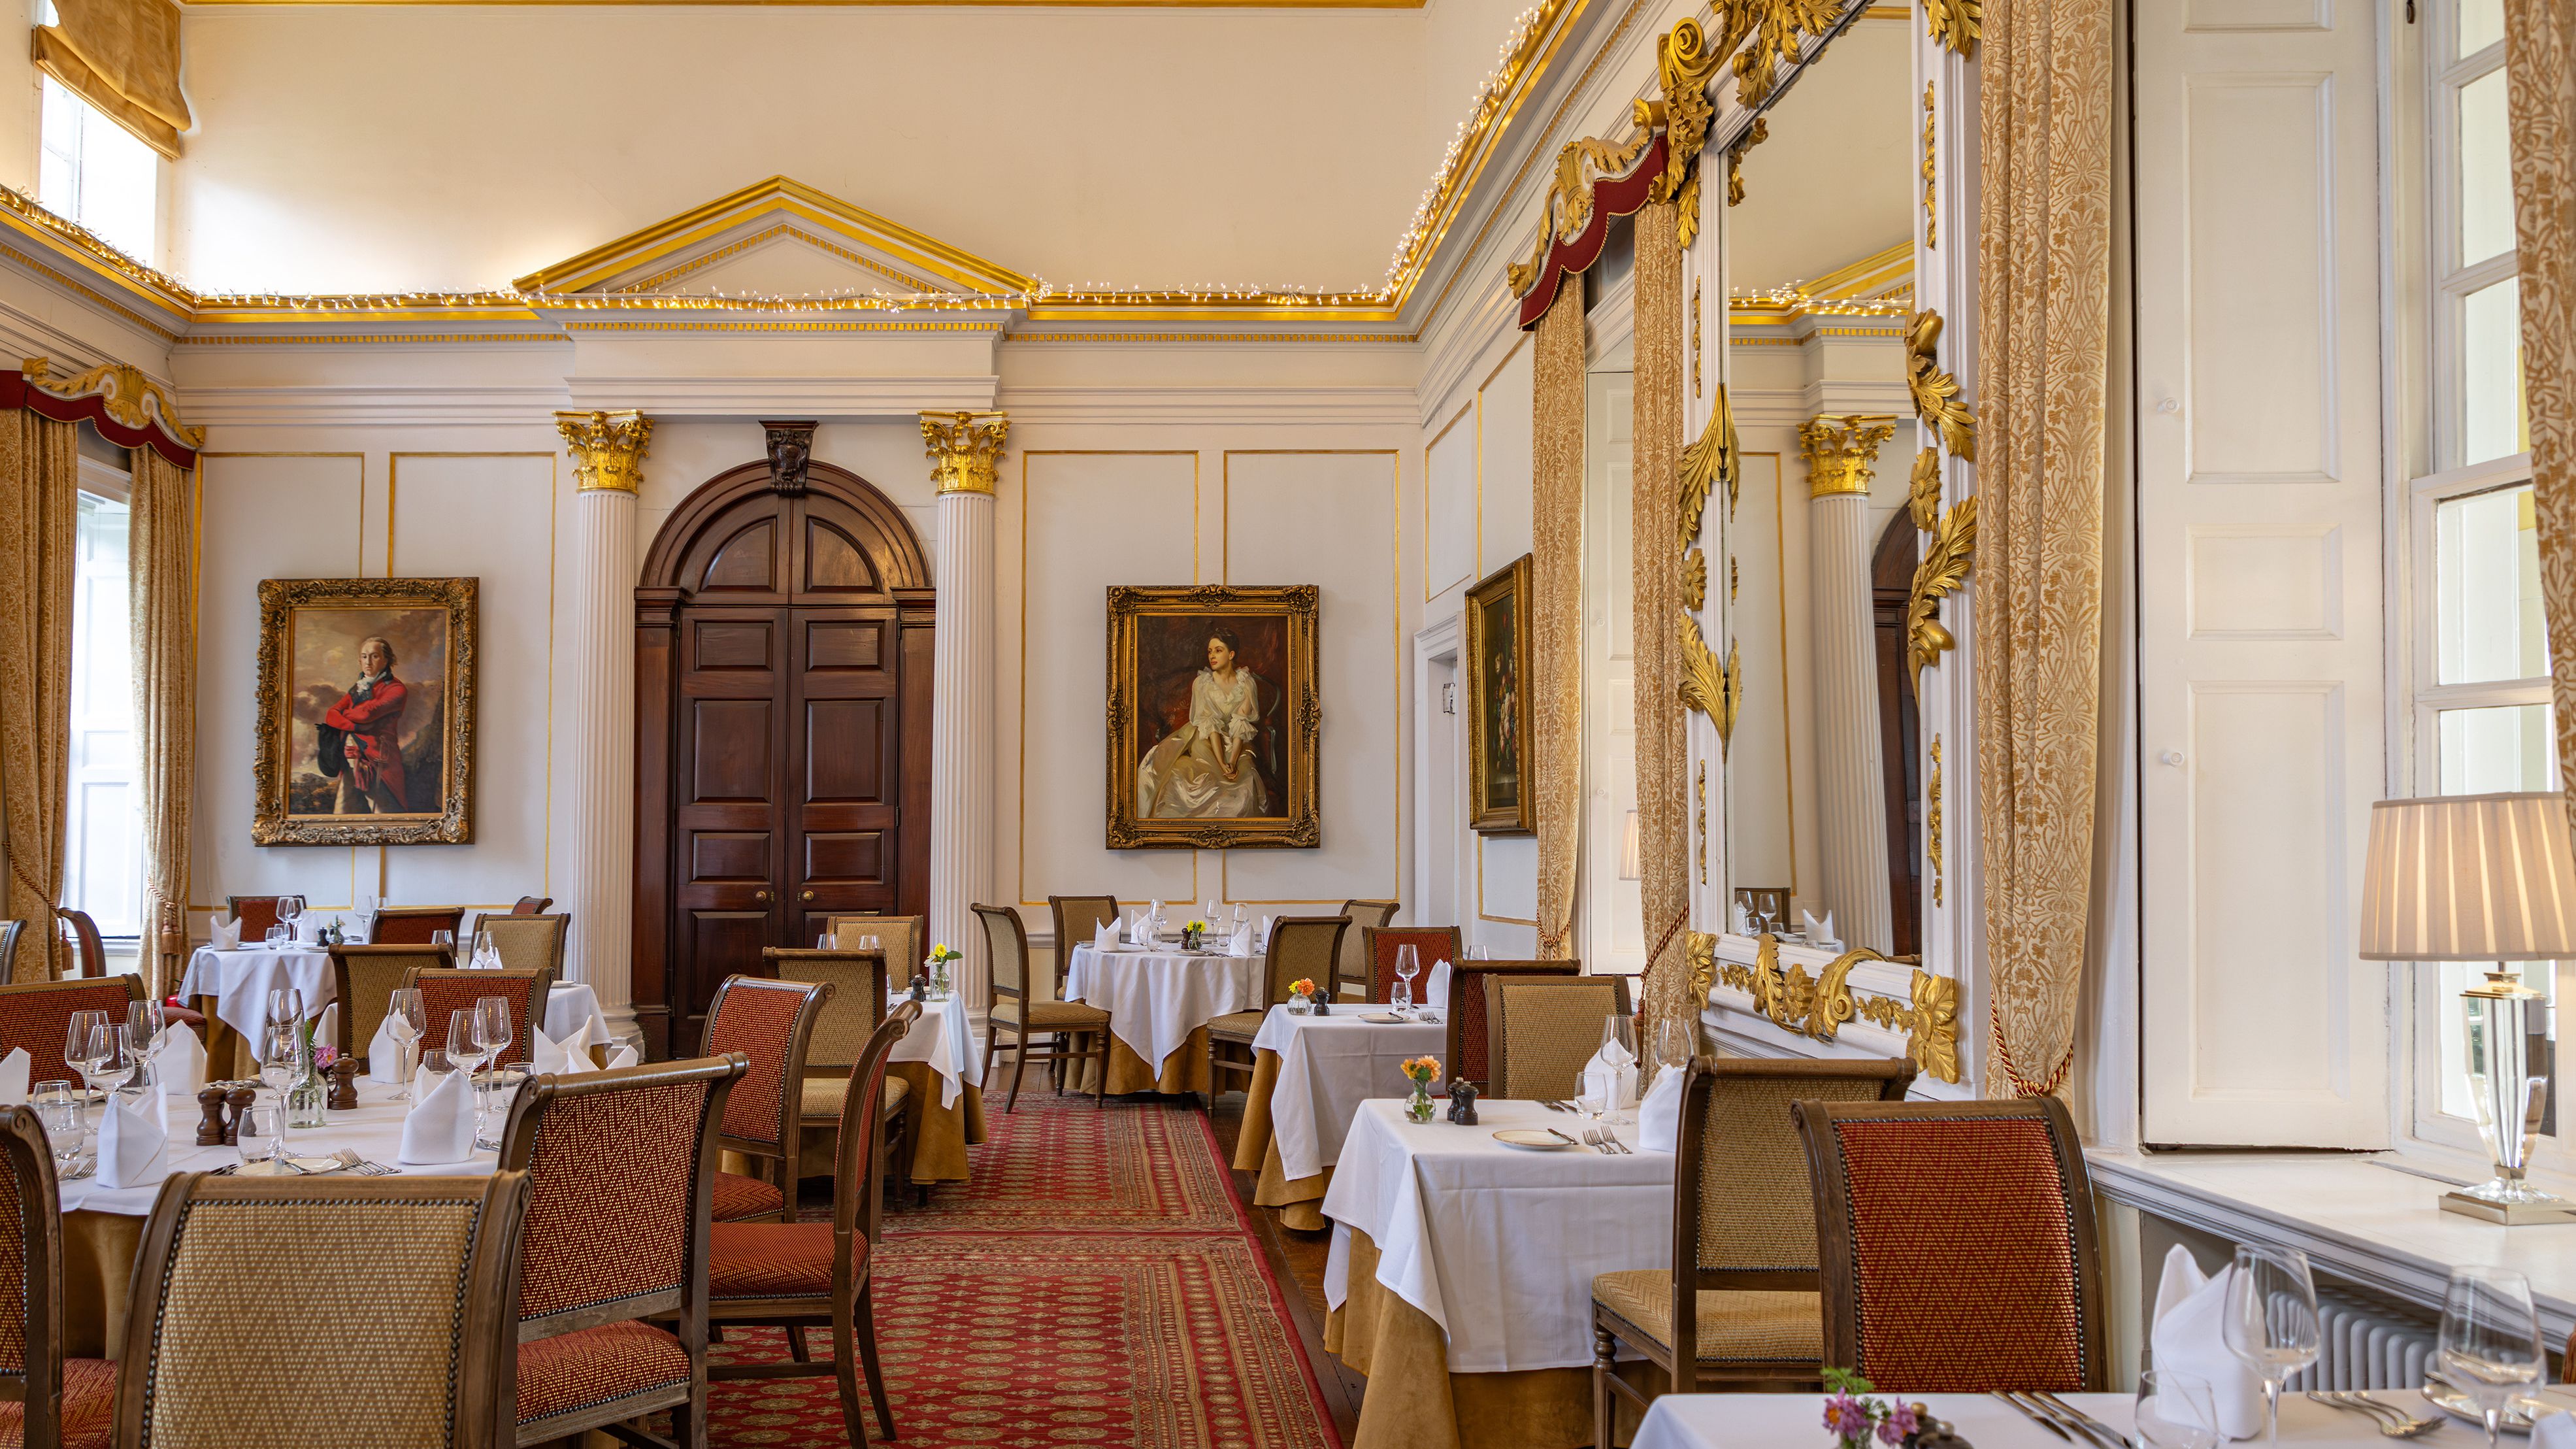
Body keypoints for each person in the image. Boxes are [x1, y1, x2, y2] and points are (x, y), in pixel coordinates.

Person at [1136, 629, 1268, 819]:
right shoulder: (1202, 683)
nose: (1212, 656)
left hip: (1236, 742)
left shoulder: (1246, 683)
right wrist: (1222, 762)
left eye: (1218, 650)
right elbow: (1211, 726)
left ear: (1231, 654)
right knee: (1194, 780)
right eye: (1210, 651)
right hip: (1206, 738)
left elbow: (1241, 726)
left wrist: (1231, 762)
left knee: (1244, 783)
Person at [319, 635, 410, 814]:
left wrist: (344, 715)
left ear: (386, 660)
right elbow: (331, 715)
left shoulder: (396, 689)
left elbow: (367, 713)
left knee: (383, 811)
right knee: (343, 812)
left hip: (378, 760)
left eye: (375, 656)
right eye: (364, 656)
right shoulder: (357, 688)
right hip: (349, 758)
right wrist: (355, 727)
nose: (368, 661)